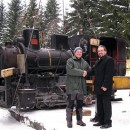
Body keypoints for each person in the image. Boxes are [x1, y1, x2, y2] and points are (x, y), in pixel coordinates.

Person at [90, 45, 114, 129]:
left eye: (101, 50)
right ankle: (101, 121)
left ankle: (108, 122)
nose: (100, 52)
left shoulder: (109, 60)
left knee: (106, 105)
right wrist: (85, 73)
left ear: (105, 51)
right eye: (98, 51)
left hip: (104, 87)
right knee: (99, 105)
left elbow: (109, 74)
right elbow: (93, 71)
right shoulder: (99, 61)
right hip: (98, 87)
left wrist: (105, 85)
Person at [65, 47, 91, 128]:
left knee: (80, 105)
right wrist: (82, 72)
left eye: (80, 52)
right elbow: (70, 70)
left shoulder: (84, 62)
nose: (79, 53)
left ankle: (79, 120)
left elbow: (89, 69)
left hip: (81, 88)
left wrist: (87, 72)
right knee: (70, 105)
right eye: (78, 52)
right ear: (75, 53)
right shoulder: (70, 61)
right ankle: (69, 121)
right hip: (72, 87)